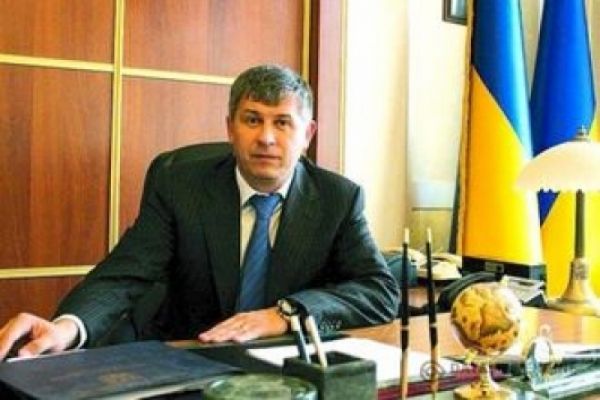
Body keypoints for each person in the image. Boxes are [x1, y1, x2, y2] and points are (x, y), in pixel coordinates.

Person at [0, 64, 399, 360]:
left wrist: (285, 314)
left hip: (285, 369)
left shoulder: (337, 198)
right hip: (188, 356)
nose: (266, 137)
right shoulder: (181, 184)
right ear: (230, 127)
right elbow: (124, 274)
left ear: (307, 134)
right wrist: (67, 327)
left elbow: (379, 291)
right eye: (252, 120)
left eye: (282, 123)